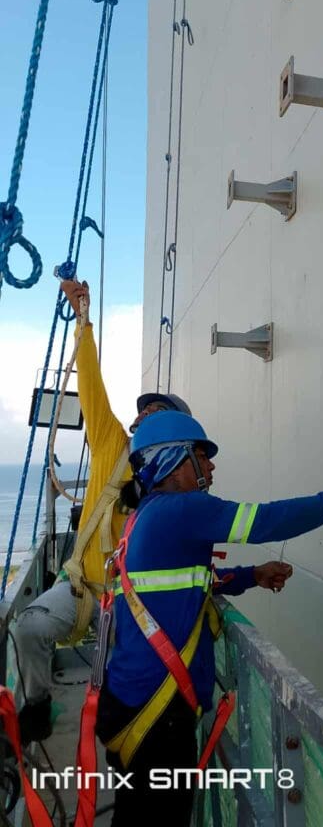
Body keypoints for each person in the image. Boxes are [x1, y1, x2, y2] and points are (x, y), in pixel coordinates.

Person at [95, 410, 323, 827]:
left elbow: (184, 583)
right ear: (173, 462)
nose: (210, 466)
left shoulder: (146, 518)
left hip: (132, 703)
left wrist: (251, 576)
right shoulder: (182, 509)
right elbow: (267, 521)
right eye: (201, 456)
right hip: (157, 718)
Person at [13, 279, 194, 745]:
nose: (145, 417)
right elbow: (91, 387)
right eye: (144, 413)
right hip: (83, 589)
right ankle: (36, 705)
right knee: (29, 626)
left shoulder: (180, 483)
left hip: (132, 605)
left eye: (158, 413)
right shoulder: (114, 445)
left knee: (129, 680)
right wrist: (83, 320)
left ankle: (127, 731)